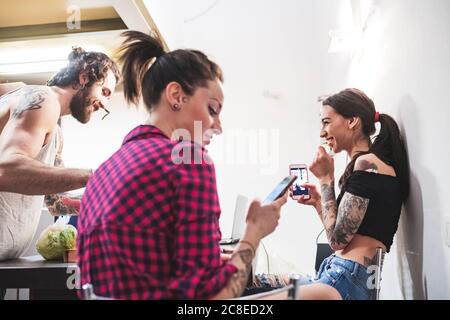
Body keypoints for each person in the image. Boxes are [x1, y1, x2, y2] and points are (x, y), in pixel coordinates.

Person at [77, 31, 291, 300]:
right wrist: (253, 235)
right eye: (212, 109)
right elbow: (213, 299)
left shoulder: (103, 171)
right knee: (322, 294)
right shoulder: (189, 160)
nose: (218, 126)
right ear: (176, 95)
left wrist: (215, 261)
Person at [288, 88, 410, 300]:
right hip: (345, 273)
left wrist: (326, 180)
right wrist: (319, 201)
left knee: (253, 290)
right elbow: (339, 233)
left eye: (326, 122)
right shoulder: (367, 165)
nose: (321, 132)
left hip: (348, 276)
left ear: (352, 121)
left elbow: (337, 241)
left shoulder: (368, 165)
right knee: (257, 282)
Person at [0, 47, 120, 262]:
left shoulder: (54, 129)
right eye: (105, 92)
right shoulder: (43, 99)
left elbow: (55, 201)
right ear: (84, 77)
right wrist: (97, 176)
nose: (105, 104)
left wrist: (113, 203)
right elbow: (6, 170)